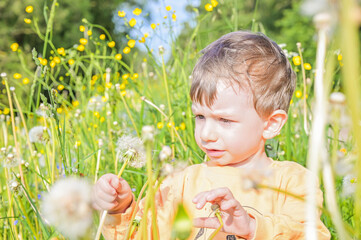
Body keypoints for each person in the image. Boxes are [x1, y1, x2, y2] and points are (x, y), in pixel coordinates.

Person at [92, 31, 331, 239]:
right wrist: (120, 209)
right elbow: (140, 233)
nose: (206, 133)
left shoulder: (292, 182)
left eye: (224, 120)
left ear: (270, 124)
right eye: (200, 117)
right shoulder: (180, 183)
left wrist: (252, 228)